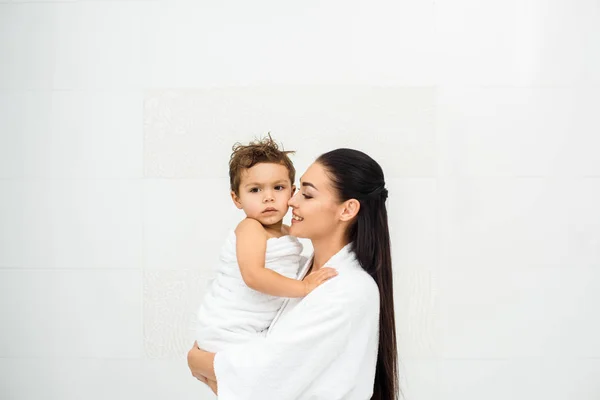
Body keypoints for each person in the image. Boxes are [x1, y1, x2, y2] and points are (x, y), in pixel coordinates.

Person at [188, 148, 399, 400]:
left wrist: (197, 360)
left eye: (306, 194)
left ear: (347, 210)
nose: (291, 201)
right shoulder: (296, 271)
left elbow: (267, 381)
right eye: (297, 190)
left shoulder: (349, 290)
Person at [194, 136, 338, 390]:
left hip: (254, 331)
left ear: (293, 193)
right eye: (255, 190)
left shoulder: (286, 233)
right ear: (236, 199)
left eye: (278, 188)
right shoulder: (250, 229)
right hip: (230, 328)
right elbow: (253, 275)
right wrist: (303, 288)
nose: (268, 198)